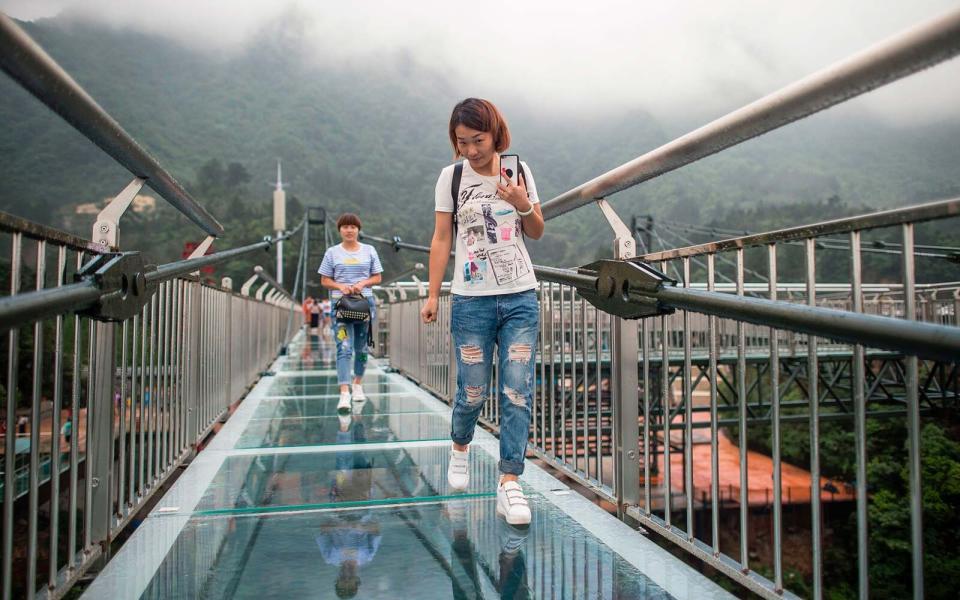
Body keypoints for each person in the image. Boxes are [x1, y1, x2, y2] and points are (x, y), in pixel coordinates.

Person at [421, 98, 544, 526]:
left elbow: (537, 230)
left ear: (495, 135)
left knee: (516, 389)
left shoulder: (519, 170)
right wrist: (434, 295)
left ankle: (509, 482)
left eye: (478, 140)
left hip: (520, 296)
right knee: (472, 390)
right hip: (471, 301)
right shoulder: (451, 178)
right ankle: (459, 444)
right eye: (462, 142)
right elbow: (441, 239)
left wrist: (521, 201)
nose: (471, 150)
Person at [319, 213, 384, 413]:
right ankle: (344, 392)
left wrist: (363, 283)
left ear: (358, 229)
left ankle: (358, 384)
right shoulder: (332, 253)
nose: (349, 230)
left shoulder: (369, 250)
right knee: (344, 347)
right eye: (345, 227)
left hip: (364, 304)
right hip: (341, 306)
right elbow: (324, 280)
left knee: (362, 348)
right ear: (339, 230)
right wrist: (340, 286)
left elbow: (378, 277)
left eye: (353, 227)